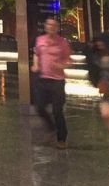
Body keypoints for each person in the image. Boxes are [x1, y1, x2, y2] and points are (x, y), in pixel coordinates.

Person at [31, 17, 72, 149]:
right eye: (48, 24)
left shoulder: (62, 43)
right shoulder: (40, 40)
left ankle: (62, 138)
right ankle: (51, 127)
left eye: (54, 25)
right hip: (43, 79)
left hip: (57, 81)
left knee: (57, 110)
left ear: (57, 28)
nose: (51, 27)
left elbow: (69, 60)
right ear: (45, 26)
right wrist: (35, 64)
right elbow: (37, 53)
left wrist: (62, 65)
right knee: (39, 107)